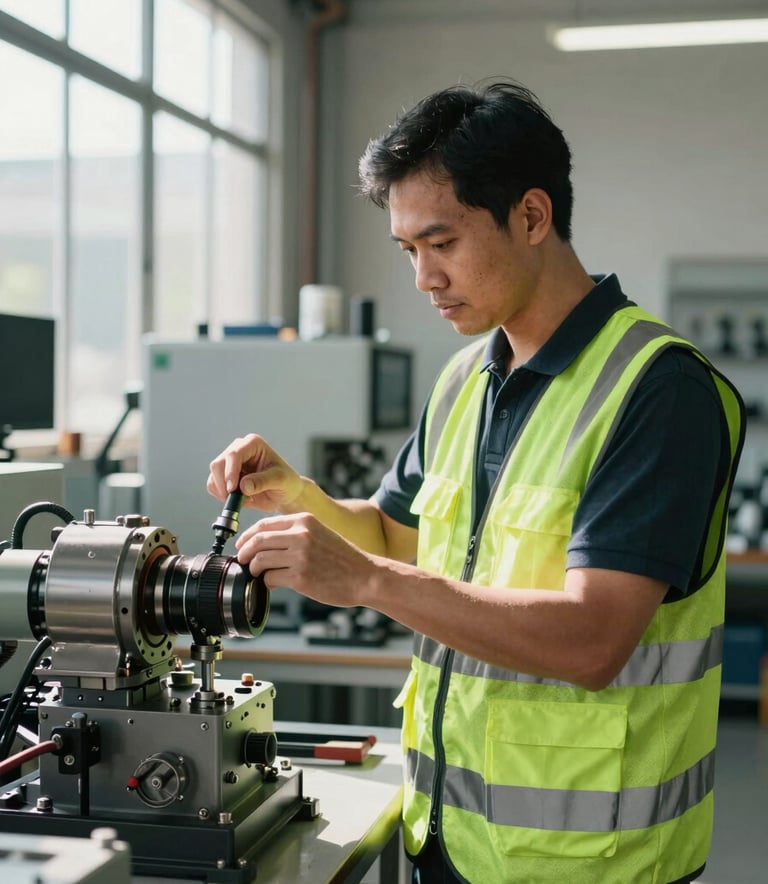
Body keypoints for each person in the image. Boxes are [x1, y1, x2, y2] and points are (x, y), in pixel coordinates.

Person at [207, 80, 745, 884]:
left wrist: (365, 581)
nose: (424, 278)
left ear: (532, 217)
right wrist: (301, 496)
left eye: (442, 242)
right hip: (450, 837)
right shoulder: (467, 378)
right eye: (407, 251)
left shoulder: (658, 388)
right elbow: (400, 539)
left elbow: (596, 640)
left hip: (589, 862)